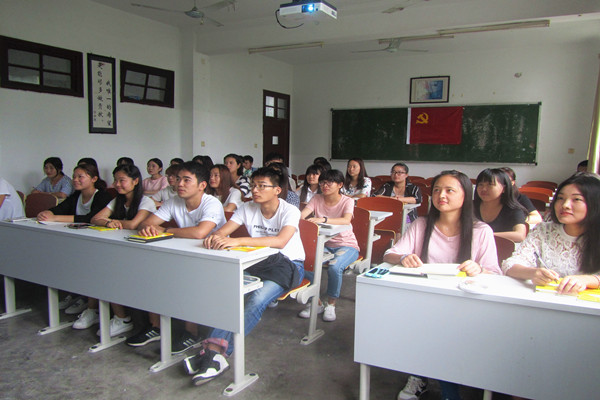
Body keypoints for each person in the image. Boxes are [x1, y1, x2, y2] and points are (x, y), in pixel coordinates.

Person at [383, 170, 500, 400]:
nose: (441, 195)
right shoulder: (421, 225)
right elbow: (390, 254)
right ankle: (426, 378)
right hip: (426, 301)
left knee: (442, 331)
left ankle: (440, 383)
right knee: (428, 326)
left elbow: (495, 272)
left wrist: (479, 268)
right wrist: (403, 257)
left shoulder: (481, 231)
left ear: (465, 196)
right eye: (436, 190)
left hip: (465, 304)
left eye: (449, 190)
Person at [183, 167, 304, 386]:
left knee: (256, 298)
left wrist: (237, 240)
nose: (255, 190)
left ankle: (216, 352)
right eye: (253, 185)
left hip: (288, 264)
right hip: (257, 262)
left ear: (277, 190)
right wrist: (215, 237)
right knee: (230, 292)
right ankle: (213, 353)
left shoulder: (290, 211)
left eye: (262, 186)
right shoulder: (247, 207)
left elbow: (280, 242)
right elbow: (223, 231)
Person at [128, 162, 226, 353]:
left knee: (187, 281)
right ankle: (156, 327)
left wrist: (165, 230)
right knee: (150, 275)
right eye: (179, 179)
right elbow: (146, 224)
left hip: (213, 257)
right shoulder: (174, 201)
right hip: (183, 253)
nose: (179, 184)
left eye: (186, 180)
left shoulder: (211, 203)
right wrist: (149, 228)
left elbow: (199, 233)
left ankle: (192, 333)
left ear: (202, 185)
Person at [83, 164, 157, 336]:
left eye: (122, 180)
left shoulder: (146, 201)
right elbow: (95, 218)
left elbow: (133, 225)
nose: (117, 184)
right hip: (120, 248)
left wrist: (114, 222)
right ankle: (117, 316)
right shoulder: (117, 200)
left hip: (140, 252)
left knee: (111, 272)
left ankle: (125, 318)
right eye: (115, 180)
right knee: (100, 269)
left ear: (135, 181)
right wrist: (109, 222)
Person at [503, 172, 600, 295]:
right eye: (560, 198)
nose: (565, 205)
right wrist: (533, 273)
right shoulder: (544, 231)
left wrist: (588, 280)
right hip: (547, 300)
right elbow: (510, 264)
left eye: (576, 199)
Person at [298, 169, 359, 321]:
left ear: (340, 185)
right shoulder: (317, 198)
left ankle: (331, 304)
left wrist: (323, 219)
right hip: (323, 243)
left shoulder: (347, 201)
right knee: (304, 263)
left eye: (329, 182)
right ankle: (316, 302)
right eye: (323, 182)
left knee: (334, 267)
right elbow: (302, 215)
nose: (325, 186)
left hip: (346, 245)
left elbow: (346, 220)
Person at [37, 164, 111, 224]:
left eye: (80, 177)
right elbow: (60, 208)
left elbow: (91, 218)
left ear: (94, 179)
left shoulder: (103, 196)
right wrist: (47, 213)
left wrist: (55, 218)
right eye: (74, 177)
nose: (75, 180)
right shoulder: (76, 195)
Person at [474, 168, 528, 242]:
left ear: (504, 188)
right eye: (480, 185)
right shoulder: (470, 206)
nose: (484, 189)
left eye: (490, 185)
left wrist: (486, 235)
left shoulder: (514, 210)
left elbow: (520, 236)